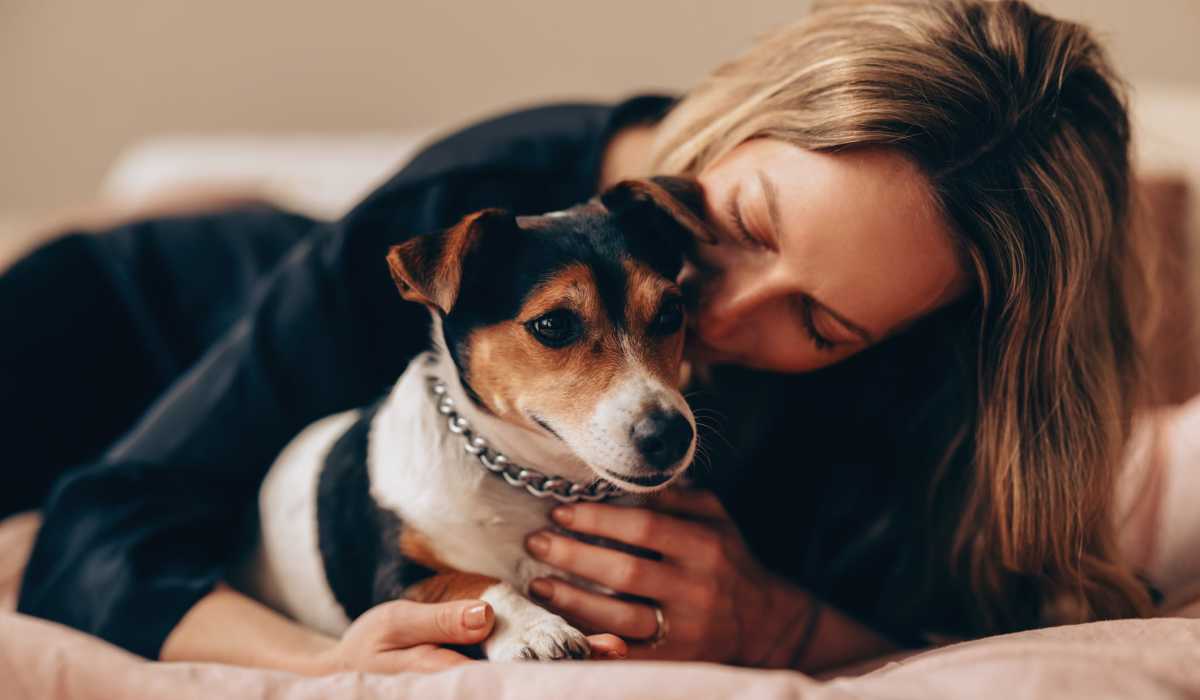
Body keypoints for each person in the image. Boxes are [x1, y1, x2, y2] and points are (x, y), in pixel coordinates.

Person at [3, 0, 1155, 674]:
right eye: (746, 222)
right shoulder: (489, 195)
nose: (718, 313)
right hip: (121, 324)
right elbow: (103, 530)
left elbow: (972, 621)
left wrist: (783, 623)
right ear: (749, 103)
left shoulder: (909, 394)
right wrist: (327, 670)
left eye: (822, 321)